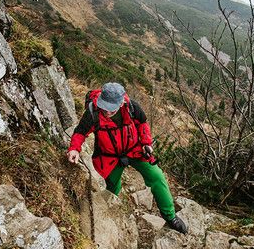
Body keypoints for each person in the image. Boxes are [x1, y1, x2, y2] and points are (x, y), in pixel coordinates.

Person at [67, 82, 187, 234]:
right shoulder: (93, 112)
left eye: (111, 109)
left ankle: (170, 216)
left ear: (121, 102)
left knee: (157, 176)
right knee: (112, 188)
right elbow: (80, 132)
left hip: (135, 150)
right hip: (109, 157)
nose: (106, 111)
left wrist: (146, 143)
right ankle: (110, 215)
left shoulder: (131, 106)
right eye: (104, 106)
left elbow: (142, 123)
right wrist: (74, 149)